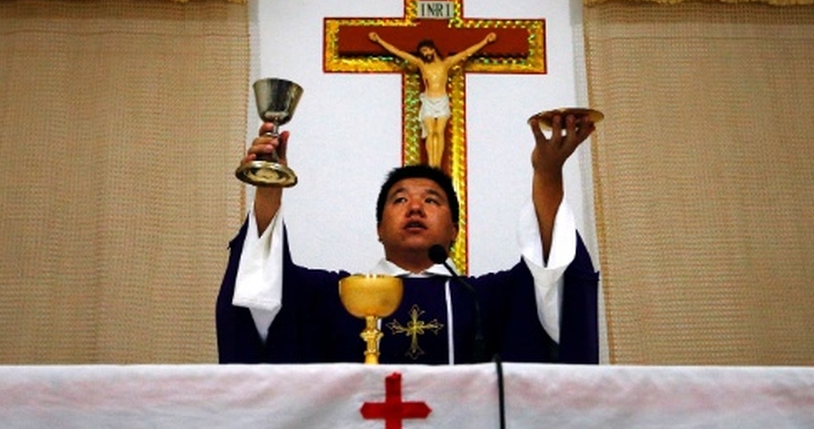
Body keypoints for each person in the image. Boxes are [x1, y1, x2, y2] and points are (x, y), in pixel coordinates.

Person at [216, 111, 599, 365]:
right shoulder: (335, 296)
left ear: (454, 231)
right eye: (400, 200)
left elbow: (551, 276)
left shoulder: (483, 300)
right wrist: (269, 185)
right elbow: (262, 290)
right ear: (379, 228)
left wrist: (547, 175)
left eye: (431, 200)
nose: (414, 208)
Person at [368, 32, 497, 168]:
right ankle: (431, 165)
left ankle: (437, 166)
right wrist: (379, 40)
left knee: (439, 132)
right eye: (422, 52)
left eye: (425, 50)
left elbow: (466, 52)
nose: (424, 54)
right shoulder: (421, 64)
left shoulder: (446, 64)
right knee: (431, 133)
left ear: (432, 49)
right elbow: (399, 53)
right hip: (429, 100)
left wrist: (485, 41)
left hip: (441, 100)